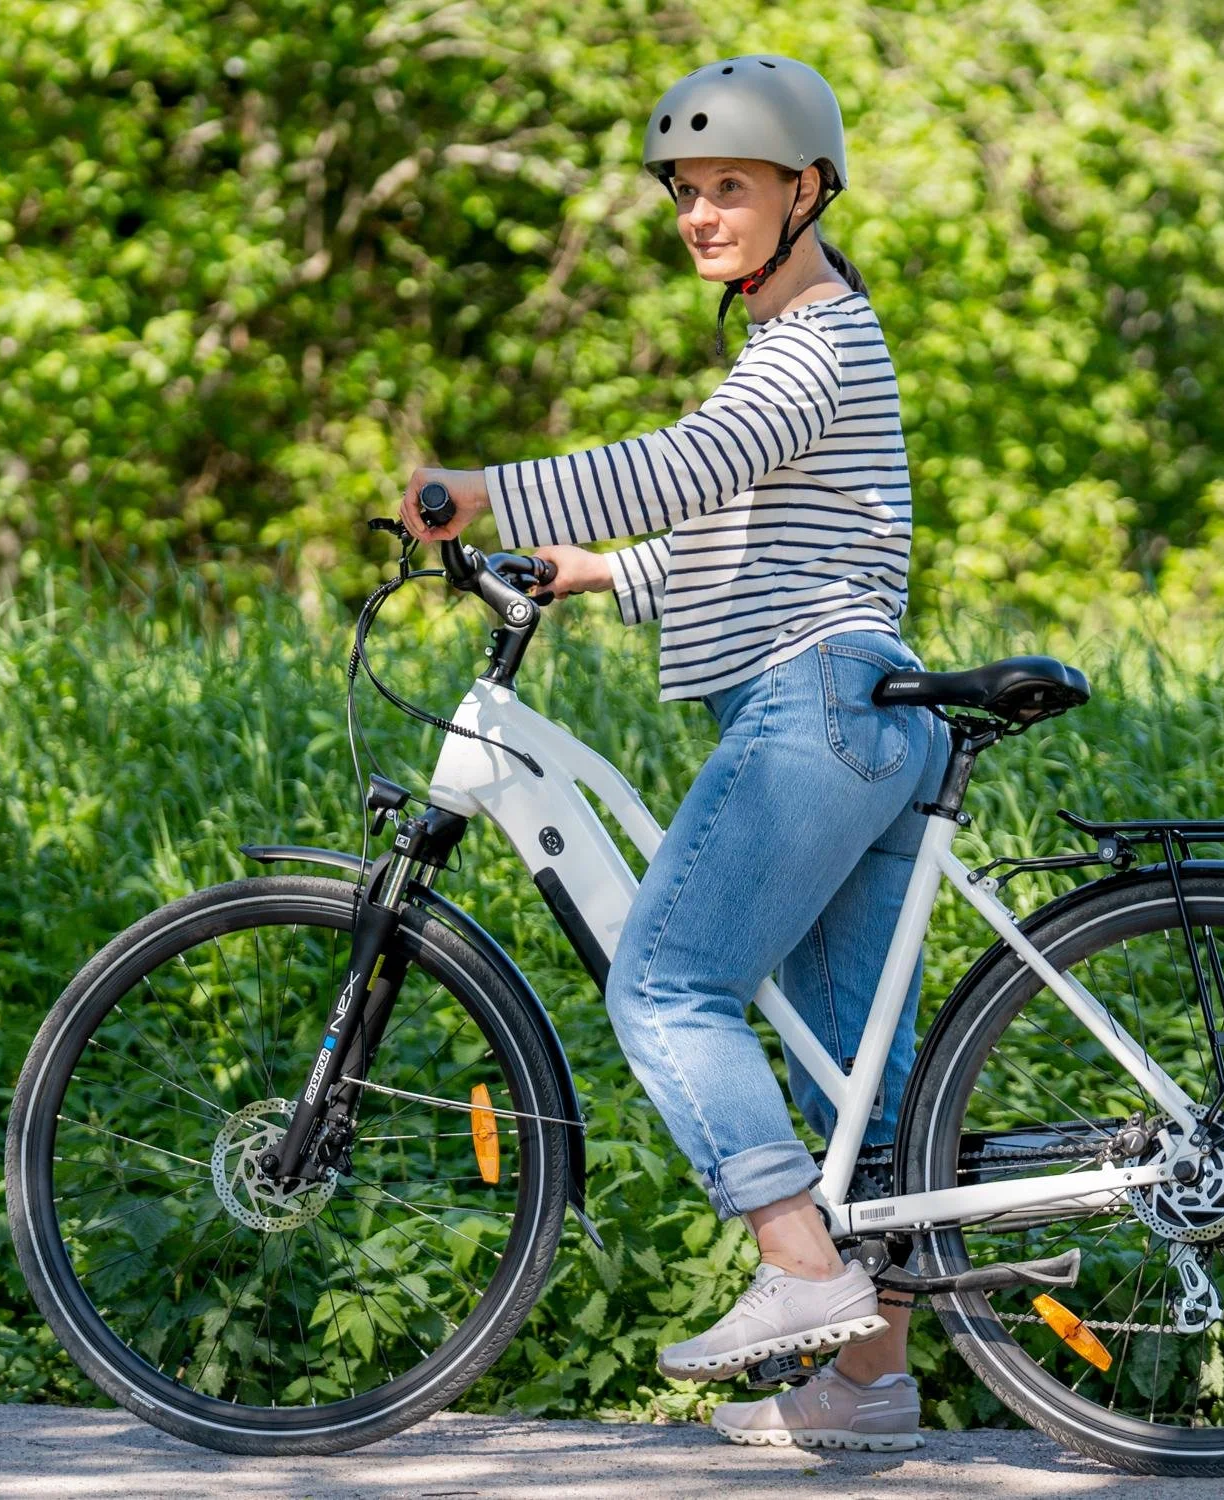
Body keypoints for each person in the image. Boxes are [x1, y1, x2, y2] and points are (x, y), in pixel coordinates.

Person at [400, 53, 947, 1452]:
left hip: (814, 712)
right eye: (686, 191)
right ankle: (871, 1383)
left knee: (664, 982)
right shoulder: (803, 345)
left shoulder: (814, 341)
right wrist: (604, 573)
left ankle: (796, 1265)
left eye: (731, 188)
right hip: (863, 711)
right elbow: (757, 536)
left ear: (806, 190)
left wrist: (482, 490)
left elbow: (686, 469)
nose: (701, 214)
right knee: (849, 1074)